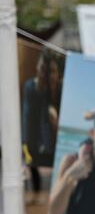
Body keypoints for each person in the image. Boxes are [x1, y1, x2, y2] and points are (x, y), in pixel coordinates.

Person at [22, 50, 61, 195]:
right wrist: (25, 143)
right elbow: (28, 116)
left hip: (53, 137)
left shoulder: (60, 88)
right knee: (33, 171)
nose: (49, 76)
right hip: (36, 139)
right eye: (45, 70)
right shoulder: (31, 87)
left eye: (52, 71)